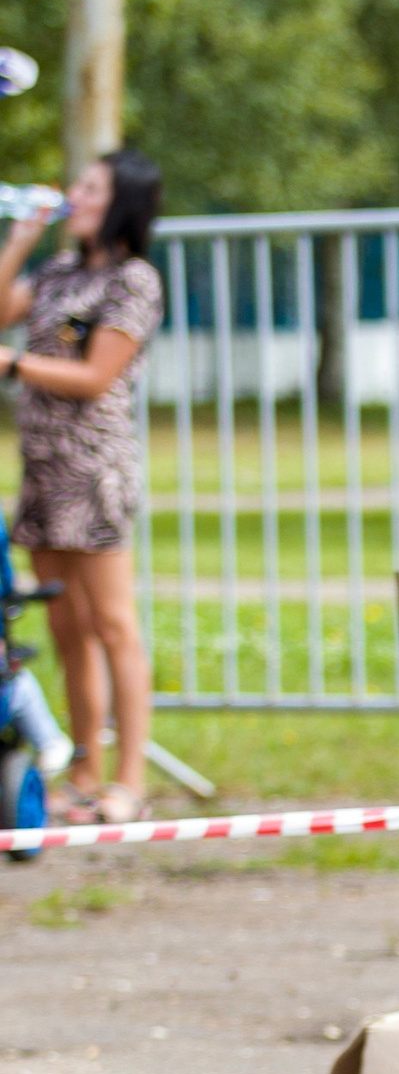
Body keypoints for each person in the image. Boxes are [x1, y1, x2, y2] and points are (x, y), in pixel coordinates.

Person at [0, 151, 165, 825]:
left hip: (92, 472)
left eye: (91, 187)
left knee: (113, 625)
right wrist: (18, 245)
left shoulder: (134, 280)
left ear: (121, 200)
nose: (76, 194)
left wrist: (13, 363)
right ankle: (86, 773)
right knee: (67, 629)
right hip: (41, 472)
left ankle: (128, 779)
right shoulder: (60, 272)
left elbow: (97, 376)